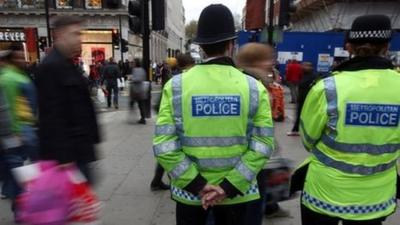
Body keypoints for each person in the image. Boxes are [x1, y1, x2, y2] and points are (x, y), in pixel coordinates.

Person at [153, 5, 274, 225]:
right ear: (231, 44)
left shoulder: (176, 86)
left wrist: (199, 186)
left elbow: (164, 146)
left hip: (191, 197)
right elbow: (263, 144)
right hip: (238, 195)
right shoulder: (254, 88)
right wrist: (227, 187)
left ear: (201, 46)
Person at [298, 15, 399, 225]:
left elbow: (307, 139)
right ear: (387, 46)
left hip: (324, 192)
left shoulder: (327, 87)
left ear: (349, 47)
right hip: (375, 197)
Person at [35, 16, 101, 184]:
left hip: (79, 150)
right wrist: (63, 159)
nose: (79, 38)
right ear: (60, 35)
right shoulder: (50, 67)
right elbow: (51, 117)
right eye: (75, 34)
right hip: (68, 156)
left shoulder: (67, 63)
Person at [236, 43, 290, 224]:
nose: (271, 62)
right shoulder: (258, 88)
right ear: (255, 62)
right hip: (255, 162)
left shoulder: (240, 81)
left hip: (243, 159)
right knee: (251, 212)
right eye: (267, 58)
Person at [0, 43, 38, 219]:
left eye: (22, 56)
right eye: (17, 57)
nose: (22, 60)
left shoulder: (19, 75)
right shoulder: (8, 78)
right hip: (17, 133)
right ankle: (21, 212)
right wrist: (16, 133)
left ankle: (21, 207)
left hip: (23, 130)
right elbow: (7, 109)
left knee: (17, 173)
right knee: (18, 174)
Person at [287, 62, 318, 136]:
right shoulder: (307, 75)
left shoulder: (311, 76)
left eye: (306, 66)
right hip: (303, 97)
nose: (303, 67)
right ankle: (297, 129)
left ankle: (296, 130)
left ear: (310, 67)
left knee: (301, 114)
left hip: (305, 98)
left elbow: (303, 84)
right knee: (301, 114)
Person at [129, 58, 149, 125]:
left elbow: (139, 78)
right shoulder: (141, 70)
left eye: (134, 62)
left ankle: (140, 118)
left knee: (137, 104)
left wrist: (132, 79)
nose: (133, 63)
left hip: (137, 90)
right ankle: (142, 118)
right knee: (140, 105)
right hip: (139, 90)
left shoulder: (137, 70)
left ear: (136, 63)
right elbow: (143, 77)